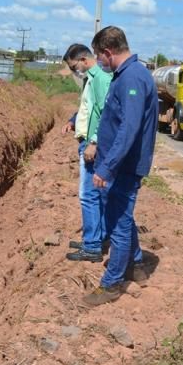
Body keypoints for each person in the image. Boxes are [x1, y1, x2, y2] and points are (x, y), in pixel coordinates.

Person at [83, 26, 158, 307]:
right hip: (119, 164)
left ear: (107, 52)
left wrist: (107, 167)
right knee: (122, 216)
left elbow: (129, 127)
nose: (99, 62)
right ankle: (136, 266)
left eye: (99, 57)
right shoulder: (127, 75)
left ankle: (112, 284)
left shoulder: (133, 77)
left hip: (124, 167)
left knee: (118, 222)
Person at [61, 44, 112, 263]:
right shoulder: (89, 79)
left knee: (88, 196)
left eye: (74, 67)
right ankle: (95, 239)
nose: (75, 71)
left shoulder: (100, 79)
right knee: (95, 196)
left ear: (83, 59)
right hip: (88, 143)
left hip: (93, 147)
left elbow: (107, 114)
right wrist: (73, 121)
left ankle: (91, 247)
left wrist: (94, 142)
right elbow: (88, 108)